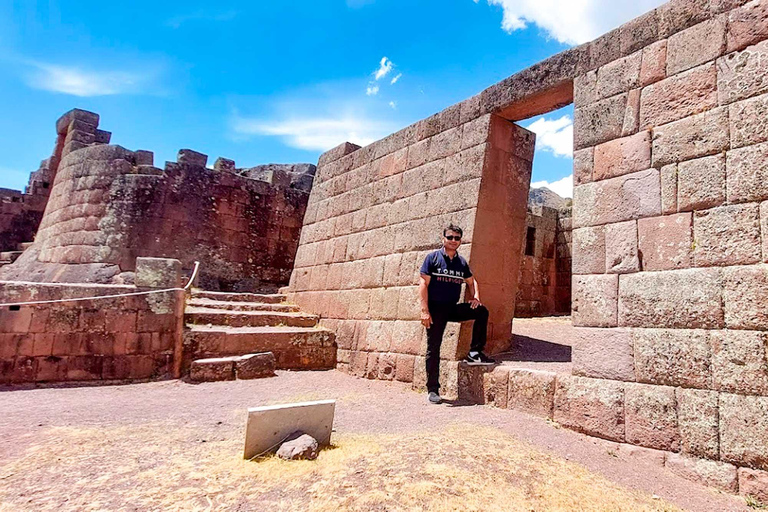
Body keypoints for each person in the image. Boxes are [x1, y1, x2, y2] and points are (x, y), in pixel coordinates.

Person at [419, 223, 495, 405]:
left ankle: (475, 352)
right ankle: (433, 389)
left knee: (481, 311)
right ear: (443, 239)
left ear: (460, 241)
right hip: (435, 310)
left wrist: (476, 297)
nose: (453, 241)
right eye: (450, 237)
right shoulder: (433, 258)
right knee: (434, 348)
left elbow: (471, 281)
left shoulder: (461, 263)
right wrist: (424, 310)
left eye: (457, 238)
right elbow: (423, 284)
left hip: (452, 308)